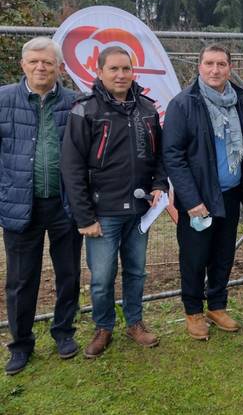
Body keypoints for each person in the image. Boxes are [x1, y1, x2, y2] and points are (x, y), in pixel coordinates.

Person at [61, 46, 168, 358]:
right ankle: (103, 326)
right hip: (102, 212)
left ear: (133, 72)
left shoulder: (147, 108)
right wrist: (84, 217)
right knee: (103, 277)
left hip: (140, 211)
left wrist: (159, 184)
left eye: (126, 69)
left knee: (136, 271)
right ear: (99, 71)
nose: (121, 75)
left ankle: (135, 322)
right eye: (114, 69)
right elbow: (72, 166)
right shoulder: (85, 110)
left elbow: (159, 155)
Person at [0, 37, 82, 375]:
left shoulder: (77, 103)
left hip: (64, 205)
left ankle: (63, 332)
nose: (40, 67)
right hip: (21, 205)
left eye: (47, 62)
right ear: (23, 65)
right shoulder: (3, 100)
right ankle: (20, 344)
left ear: (59, 67)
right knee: (21, 280)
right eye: (34, 61)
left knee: (68, 274)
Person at [163, 45, 243, 340]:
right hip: (198, 199)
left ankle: (217, 305)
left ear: (229, 67)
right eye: (209, 64)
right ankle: (193, 312)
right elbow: (172, 155)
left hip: (231, 194)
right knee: (194, 257)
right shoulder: (183, 104)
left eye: (221, 64)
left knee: (223, 254)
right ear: (199, 67)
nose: (215, 70)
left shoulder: (239, 101)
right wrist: (191, 200)